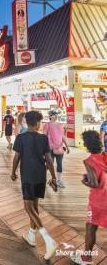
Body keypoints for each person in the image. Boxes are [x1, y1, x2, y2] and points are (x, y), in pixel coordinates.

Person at [11, 110, 58, 261]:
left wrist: (13, 172)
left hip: (28, 176)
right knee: (34, 207)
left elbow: (16, 157)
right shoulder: (43, 138)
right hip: (40, 177)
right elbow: (49, 160)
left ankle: (48, 239)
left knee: (28, 208)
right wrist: (54, 177)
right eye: (40, 122)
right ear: (37, 123)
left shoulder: (20, 138)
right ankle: (31, 236)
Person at [71, 130, 107, 265]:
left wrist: (84, 180)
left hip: (99, 200)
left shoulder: (89, 160)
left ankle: (86, 259)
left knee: (90, 227)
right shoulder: (105, 155)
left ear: (87, 144)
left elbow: (93, 183)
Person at [43, 110, 70, 188]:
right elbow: (44, 136)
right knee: (49, 165)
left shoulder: (60, 125)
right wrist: (43, 148)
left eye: (56, 115)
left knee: (60, 164)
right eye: (54, 114)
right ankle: (44, 179)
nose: (56, 116)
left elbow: (62, 136)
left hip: (60, 148)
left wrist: (67, 146)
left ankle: (58, 180)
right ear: (50, 116)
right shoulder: (47, 125)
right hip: (50, 148)